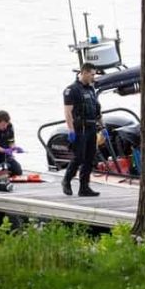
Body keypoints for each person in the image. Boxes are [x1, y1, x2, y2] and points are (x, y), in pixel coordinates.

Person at [61, 63, 103, 197]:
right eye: (91, 74)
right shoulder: (72, 90)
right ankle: (66, 180)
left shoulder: (91, 89)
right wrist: (71, 130)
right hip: (80, 129)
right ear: (84, 73)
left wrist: (103, 126)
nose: (93, 76)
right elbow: (68, 112)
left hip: (91, 128)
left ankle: (84, 187)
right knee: (79, 157)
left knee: (90, 158)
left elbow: (97, 111)